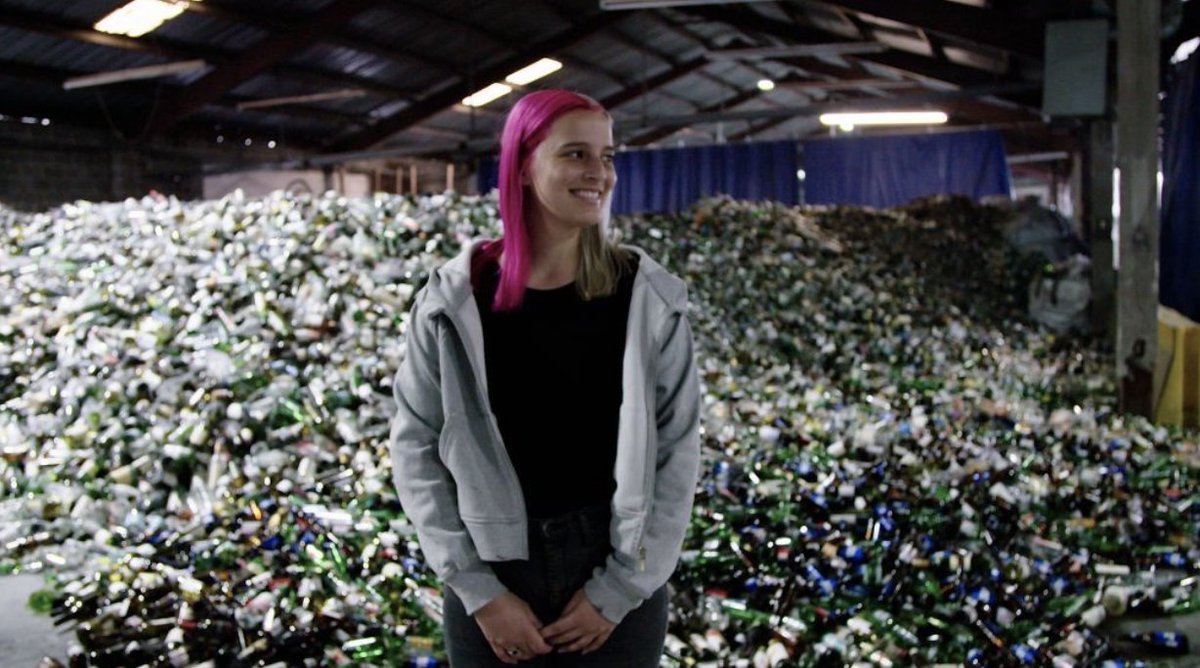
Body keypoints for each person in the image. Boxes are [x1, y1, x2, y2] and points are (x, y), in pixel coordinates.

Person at [389, 89, 701, 667]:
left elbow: (677, 452)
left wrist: (617, 592)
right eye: (575, 154)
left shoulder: (647, 298)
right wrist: (480, 592)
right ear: (524, 166)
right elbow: (415, 448)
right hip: (494, 572)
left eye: (606, 157)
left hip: (615, 566)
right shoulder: (452, 303)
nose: (599, 174)